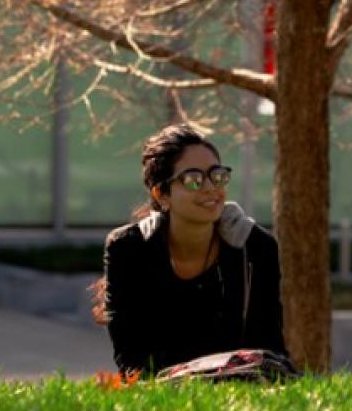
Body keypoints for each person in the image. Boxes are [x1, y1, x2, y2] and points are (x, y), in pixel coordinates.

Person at [95, 123, 286, 377]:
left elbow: (268, 347)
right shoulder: (128, 248)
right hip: (162, 392)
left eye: (217, 175)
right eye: (193, 179)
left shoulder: (255, 247)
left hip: (239, 388)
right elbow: (131, 359)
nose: (210, 188)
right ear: (162, 194)